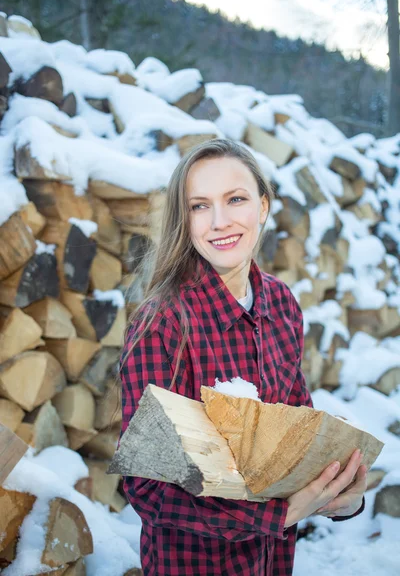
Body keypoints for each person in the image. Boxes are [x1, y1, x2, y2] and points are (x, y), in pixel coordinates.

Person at [118, 139, 367, 576]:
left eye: (235, 199)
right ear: (185, 219)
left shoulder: (282, 304)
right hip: (194, 565)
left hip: (273, 563)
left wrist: (338, 491)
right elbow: (145, 485)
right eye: (199, 206)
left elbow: (297, 435)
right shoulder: (164, 324)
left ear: (263, 207)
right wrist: (281, 515)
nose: (219, 221)